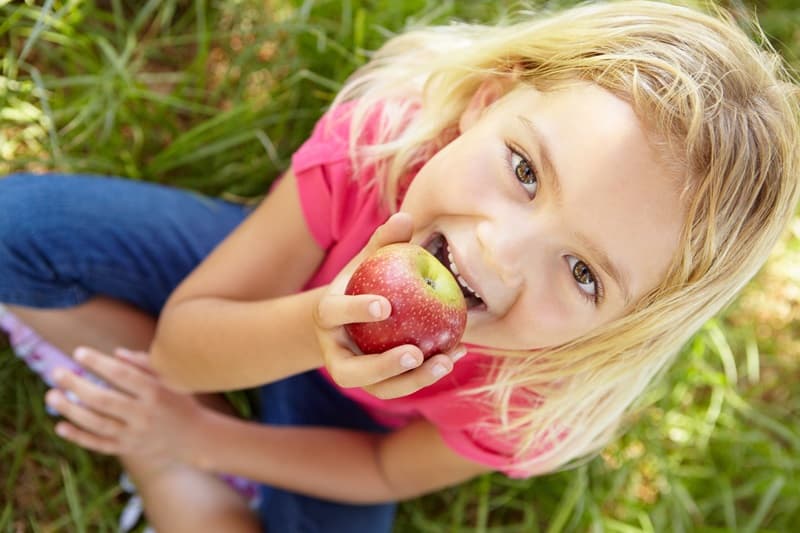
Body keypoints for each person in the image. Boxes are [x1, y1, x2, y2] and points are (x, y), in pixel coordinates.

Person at [2, 0, 798, 531]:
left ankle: (166, 453)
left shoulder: (537, 395)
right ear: (487, 101)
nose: (498, 252)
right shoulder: (378, 148)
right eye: (525, 170)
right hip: (289, 284)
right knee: (14, 228)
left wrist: (200, 436)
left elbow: (382, 469)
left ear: (624, 327)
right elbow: (182, 351)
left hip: (351, 432)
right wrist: (314, 328)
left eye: (584, 273)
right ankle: (163, 452)